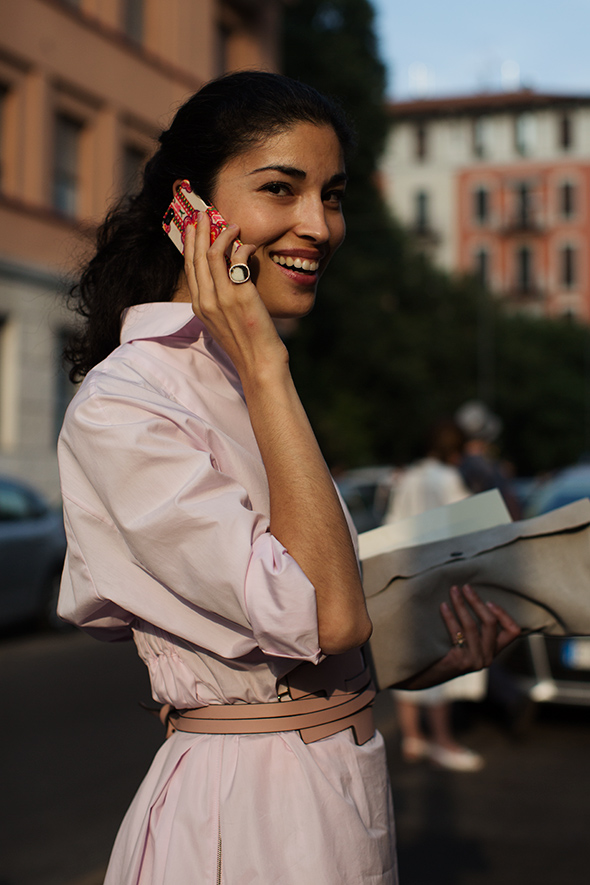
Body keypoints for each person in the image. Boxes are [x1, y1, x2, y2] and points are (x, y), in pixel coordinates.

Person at [57, 72, 520, 884]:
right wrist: (267, 361)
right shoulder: (126, 403)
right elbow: (329, 618)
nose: (318, 226)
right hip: (247, 816)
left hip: (335, 784)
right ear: (187, 211)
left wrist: (422, 649)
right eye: (281, 188)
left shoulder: (238, 375)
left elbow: (313, 630)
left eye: (332, 195)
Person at [385, 418, 488, 771]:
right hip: (442, 582)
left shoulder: (409, 478)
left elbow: (391, 526)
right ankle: (443, 741)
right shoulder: (449, 480)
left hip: (407, 578)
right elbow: (472, 527)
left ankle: (413, 737)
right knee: (443, 660)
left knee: (409, 659)